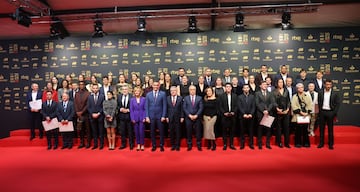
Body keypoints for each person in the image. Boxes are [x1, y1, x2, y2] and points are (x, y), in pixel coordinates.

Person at [317, 79, 341, 150]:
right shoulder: (320, 92)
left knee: (330, 129)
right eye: (327, 84)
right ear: (324, 85)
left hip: (331, 112)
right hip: (322, 112)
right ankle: (321, 143)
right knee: (321, 129)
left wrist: (334, 113)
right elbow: (319, 102)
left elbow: (337, 104)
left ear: (331, 85)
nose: (328, 86)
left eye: (329, 85)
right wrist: (320, 111)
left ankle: (330, 144)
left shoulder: (335, 93)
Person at [145, 81, 167, 152]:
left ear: (159, 86)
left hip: (160, 116)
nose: (156, 86)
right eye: (154, 85)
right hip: (151, 116)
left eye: (157, 85)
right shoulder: (148, 94)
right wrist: (147, 116)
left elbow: (164, 106)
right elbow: (146, 106)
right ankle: (154, 145)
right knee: (152, 132)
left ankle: (161, 145)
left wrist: (163, 115)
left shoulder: (163, 94)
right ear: (152, 86)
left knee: (161, 132)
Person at [291, 83, 312, 148]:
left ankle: (306, 143)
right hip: (298, 115)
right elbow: (293, 106)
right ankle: (298, 143)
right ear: (297, 89)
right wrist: (300, 112)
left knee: (305, 130)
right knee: (298, 130)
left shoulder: (307, 95)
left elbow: (310, 104)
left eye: (302, 87)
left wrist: (306, 112)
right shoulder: (294, 96)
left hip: (306, 115)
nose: (300, 89)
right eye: (299, 88)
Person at [183, 85, 203, 151]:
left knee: (198, 132)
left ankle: (199, 144)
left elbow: (201, 108)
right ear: (189, 90)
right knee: (189, 132)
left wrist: (196, 115)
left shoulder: (199, 98)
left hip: (197, 118)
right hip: (188, 118)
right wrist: (189, 115)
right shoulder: (186, 98)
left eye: (193, 89)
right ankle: (189, 145)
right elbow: (184, 108)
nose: (192, 91)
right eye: (191, 89)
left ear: (195, 90)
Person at [218, 83, 238, 150]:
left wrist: (234, 112)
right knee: (224, 131)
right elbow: (220, 106)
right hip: (224, 116)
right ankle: (225, 144)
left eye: (229, 87)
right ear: (225, 88)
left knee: (232, 131)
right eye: (227, 87)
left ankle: (231, 144)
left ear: (231, 88)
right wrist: (224, 113)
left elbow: (236, 106)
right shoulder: (221, 96)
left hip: (232, 116)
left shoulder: (235, 96)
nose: (228, 88)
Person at [255, 81, 274, 150]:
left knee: (268, 130)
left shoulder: (270, 93)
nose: (265, 86)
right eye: (263, 84)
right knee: (260, 129)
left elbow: (272, 103)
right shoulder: (257, 93)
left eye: (266, 85)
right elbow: (257, 103)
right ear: (260, 86)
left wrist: (267, 110)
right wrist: (263, 110)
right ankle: (260, 144)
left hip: (268, 113)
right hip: (260, 113)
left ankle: (267, 144)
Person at [272, 79, 291, 148]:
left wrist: (288, 109)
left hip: (286, 112)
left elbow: (289, 101)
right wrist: (277, 109)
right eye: (279, 82)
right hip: (277, 112)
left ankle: (287, 143)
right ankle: (279, 142)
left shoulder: (286, 91)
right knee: (278, 128)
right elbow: (273, 101)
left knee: (286, 128)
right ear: (277, 83)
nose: (281, 83)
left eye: (282, 82)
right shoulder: (274, 91)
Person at [87, 83, 105, 150]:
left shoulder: (102, 96)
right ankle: (95, 144)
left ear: (98, 89)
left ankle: (101, 144)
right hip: (92, 116)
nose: (95, 89)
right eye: (93, 88)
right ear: (92, 89)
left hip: (100, 116)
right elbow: (88, 107)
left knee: (101, 131)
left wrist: (98, 113)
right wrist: (92, 114)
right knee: (94, 131)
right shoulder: (89, 97)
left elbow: (103, 106)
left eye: (96, 88)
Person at [237, 84, 256, 150]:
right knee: (242, 131)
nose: (246, 89)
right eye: (244, 88)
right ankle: (242, 144)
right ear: (242, 89)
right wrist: (243, 114)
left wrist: (251, 114)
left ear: (249, 89)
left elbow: (254, 106)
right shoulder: (239, 97)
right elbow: (239, 106)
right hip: (242, 116)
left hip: (251, 116)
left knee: (251, 131)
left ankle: (251, 144)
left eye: (247, 88)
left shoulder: (252, 97)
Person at [166, 86, 184, 151]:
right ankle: (172, 145)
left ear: (176, 91)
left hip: (178, 117)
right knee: (171, 132)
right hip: (170, 117)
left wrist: (182, 117)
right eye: (171, 91)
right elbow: (166, 108)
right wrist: (166, 116)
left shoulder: (180, 98)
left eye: (174, 90)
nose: (173, 92)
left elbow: (182, 108)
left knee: (178, 132)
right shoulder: (167, 98)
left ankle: (177, 145)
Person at [74, 81, 91, 149]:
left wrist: (82, 112)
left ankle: (88, 142)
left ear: (84, 85)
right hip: (78, 114)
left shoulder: (88, 93)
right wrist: (77, 112)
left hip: (85, 114)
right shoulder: (76, 94)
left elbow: (88, 104)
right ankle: (82, 142)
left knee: (87, 129)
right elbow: (75, 103)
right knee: (80, 130)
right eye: (80, 85)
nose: (81, 86)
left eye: (82, 85)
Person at [130, 87, 146, 151]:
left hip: (142, 117)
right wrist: (132, 118)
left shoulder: (144, 99)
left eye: (138, 91)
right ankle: (138, 144)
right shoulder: (132, 100)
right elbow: (131, 110)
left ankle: (142, 144)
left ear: (140, 92)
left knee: (141, 131)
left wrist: (144, 117)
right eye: (135, 91)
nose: (137, 92)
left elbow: (145, 109)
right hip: (135, 117)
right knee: (136, 132)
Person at [117, 86, 133, 150]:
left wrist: (129, 110)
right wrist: (120, 109)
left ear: (128, 90)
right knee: (122, 131)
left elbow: (134, 105)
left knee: (130, 131)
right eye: (123, 89)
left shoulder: (132, 96)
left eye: (126, 89)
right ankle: (123, 144)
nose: (124, 90)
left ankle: (131, 144)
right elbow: (117, 105)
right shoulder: (119, 97)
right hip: (121, 116)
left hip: (129, 116)